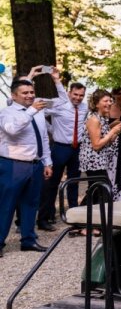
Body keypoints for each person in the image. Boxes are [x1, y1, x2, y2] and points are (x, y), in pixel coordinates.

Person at [0, 79, 53, 256]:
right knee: (6, 205)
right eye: (25, 93)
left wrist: (47, 162)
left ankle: (28, 240)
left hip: (35, 164)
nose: (30, 95)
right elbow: (12, 130)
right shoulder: (7, 113)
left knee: (31, 204)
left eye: (31, 92)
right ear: (14, 96)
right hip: (13, 165)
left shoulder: (38, 112)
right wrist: (31, 111)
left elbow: (44, 138)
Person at [37, 67, 87, 229]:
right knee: (52, 182)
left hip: (76, 149)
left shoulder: (85, 107)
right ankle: (46, 216)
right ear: (69, 93)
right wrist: (51, 129)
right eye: (75, 94)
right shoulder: (59, 106)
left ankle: (73, 214)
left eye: (81, 95)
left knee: (74, 182)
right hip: (59, 148)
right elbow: (38, 113)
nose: (78, 98)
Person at [78, 90, 121, 209]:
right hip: (93, 161)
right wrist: (112, 132)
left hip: (100, 160)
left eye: (110, 100)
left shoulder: (102, 117)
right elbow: (96, 145)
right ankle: (84, 219)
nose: (109, 103)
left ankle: (85, 220)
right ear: (96, 103)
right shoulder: (94, 119)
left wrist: (116, 131)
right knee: (102, 190)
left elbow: (106, 139)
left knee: (96, 190)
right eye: (105, 101)